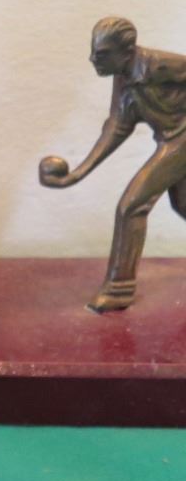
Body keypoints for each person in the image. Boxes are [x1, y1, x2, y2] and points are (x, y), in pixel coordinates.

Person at [40, 17, 186, 311]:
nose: (93, 59)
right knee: (183, 205)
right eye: (94, 51)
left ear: (127, 51)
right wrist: (76, 174)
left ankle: (119, 288)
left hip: (181, 140)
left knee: (132, 205)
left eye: (102, 54)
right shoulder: (124, 78)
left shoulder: (160, 65)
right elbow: (118, 126)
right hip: (171, 140)